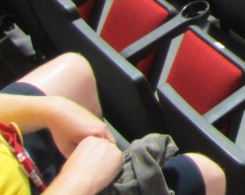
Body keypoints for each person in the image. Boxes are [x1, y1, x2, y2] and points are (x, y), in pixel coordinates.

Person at [0, 52, 225, 194]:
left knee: (75, 71)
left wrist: (53, 110)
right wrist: (79, 179)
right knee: (205, 173)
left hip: (10, 153)